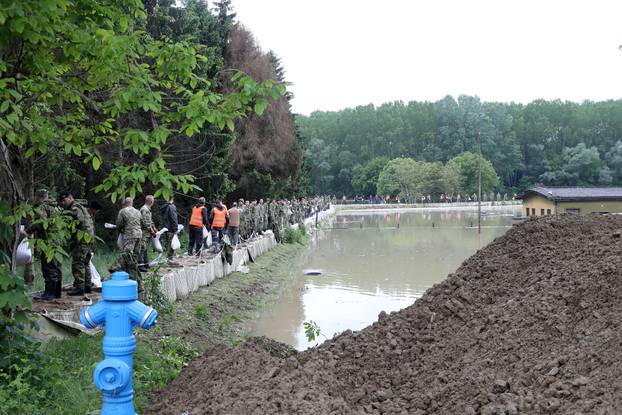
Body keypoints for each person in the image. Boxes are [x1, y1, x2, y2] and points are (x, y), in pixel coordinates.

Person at [27, 189, 62, 300]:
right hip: (57, 241)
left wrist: (28, 231)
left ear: (39, 197)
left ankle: (49, 294)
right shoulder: (55, 207)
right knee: (57, 267)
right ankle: (57, 293)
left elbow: (41, 223)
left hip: (48, 241)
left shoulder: (42, 207)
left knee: (48, 267)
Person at [60, 191, 95, 296]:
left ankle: (80, 288)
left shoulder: (75, 208)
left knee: (78, 263)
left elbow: (78, 220)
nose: (63, 202)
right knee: (85, 263)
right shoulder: (80, 207)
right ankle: (87, 286)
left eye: (64, 200)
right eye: (61, 201)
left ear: (71, 198)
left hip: (82, 240)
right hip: (88, 238)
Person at [112, 197, 143, 290]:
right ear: (132, 203)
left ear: (124, 203)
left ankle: (119, 270)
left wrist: (121, 229)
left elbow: (119, 223)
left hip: (130, 234)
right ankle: (135, 275)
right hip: (139, 234)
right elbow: (141, 222)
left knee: (127, 255)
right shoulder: (138, 211)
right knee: (135, 256)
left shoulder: (122, 211)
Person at [139, 195, 157, 271]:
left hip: (147, 233)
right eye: (153, 201)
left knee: (145, 248)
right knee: (142, 248)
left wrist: (154, 227)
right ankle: (140, 265)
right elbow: (145, 222)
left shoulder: (148, 209)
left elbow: (150, 221)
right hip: (143, 232)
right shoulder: (144, 209)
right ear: (151, 202)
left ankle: (146, 264)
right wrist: (152, 231)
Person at [160, 196, 178, 262]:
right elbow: (174, 218)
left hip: (166, 228)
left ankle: (168, 258)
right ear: (172, 199)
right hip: (171, 228)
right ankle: (169, 259)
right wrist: (176, 228)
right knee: (172, 244)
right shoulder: (172, 207)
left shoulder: (164, 206)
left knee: (169, 243)